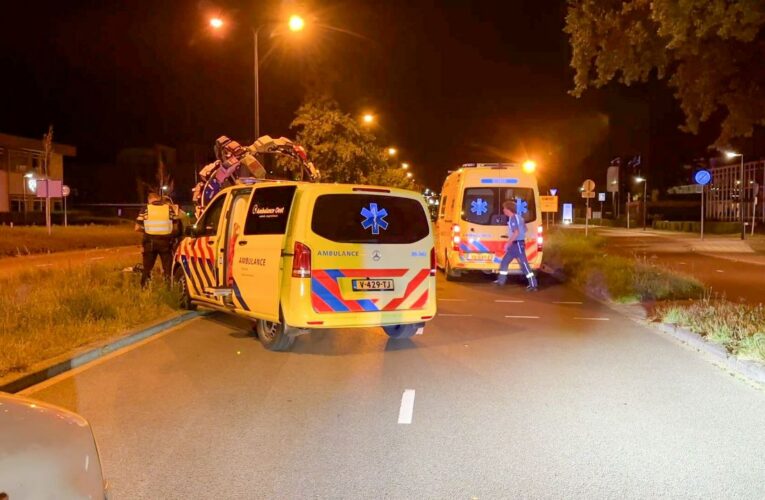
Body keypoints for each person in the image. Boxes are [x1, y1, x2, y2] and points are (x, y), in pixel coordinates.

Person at [135, 192, 180, 287]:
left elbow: (137, 228)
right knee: (168, 268)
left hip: (150, 242)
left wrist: (148, 229)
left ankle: (144, 288)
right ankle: (168, 288)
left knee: (147, 268)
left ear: (149, 200)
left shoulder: (146, 209)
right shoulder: (169, 209)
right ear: (159, 199)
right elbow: (175, 227)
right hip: (166, 242)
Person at [494, 200, 538, 291]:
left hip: (517, 245)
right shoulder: (518, 217)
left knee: (524, 265)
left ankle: (533, 285)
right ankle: (501, 281)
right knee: (504, 262)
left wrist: (508, 243)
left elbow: (516, 232)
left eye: (504, 208)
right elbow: (525, 229)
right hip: (516, 245)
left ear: (508, 209)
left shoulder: (513, 218)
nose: (503, 210)